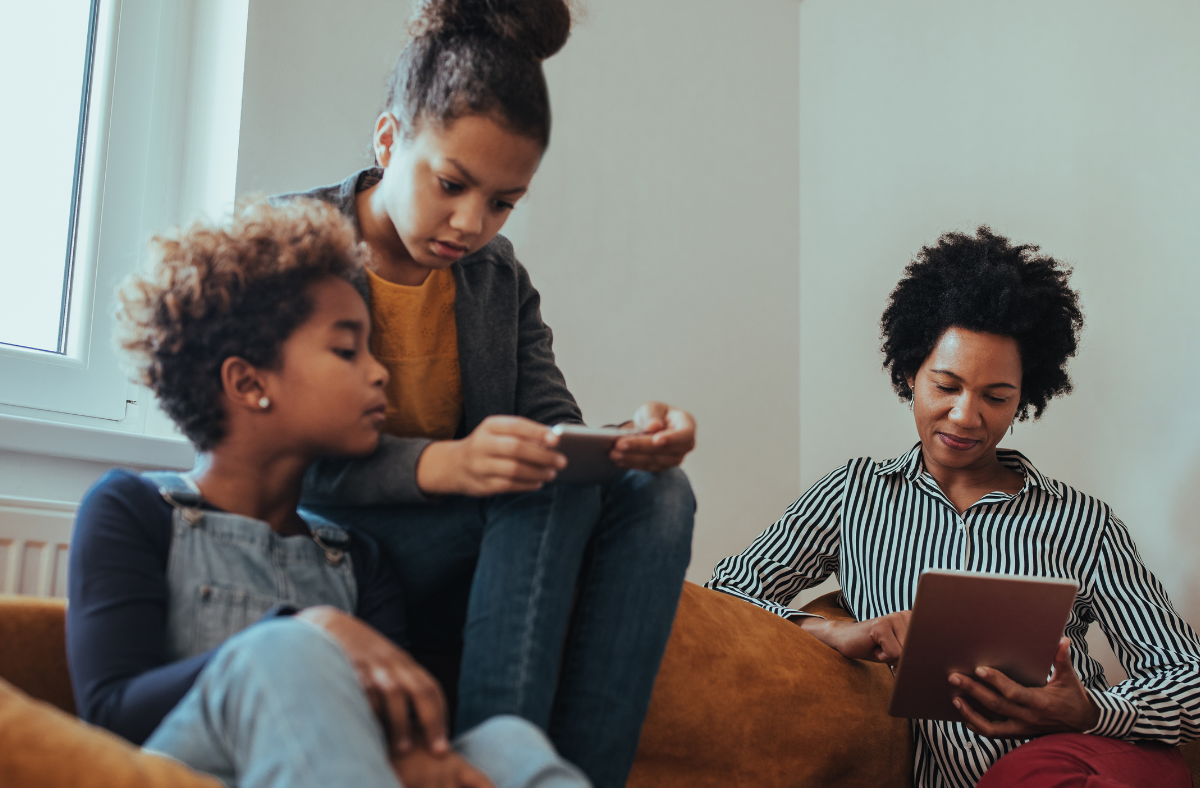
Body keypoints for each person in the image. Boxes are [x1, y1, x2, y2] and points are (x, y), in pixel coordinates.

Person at [274, 2, 697, 785]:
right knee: (537, 493)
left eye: (504, 202)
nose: (472, 223)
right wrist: (444, 466)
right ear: (389, 138)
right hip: (339, 532)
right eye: (453, 184)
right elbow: (272, 461)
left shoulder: (497, 278)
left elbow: (550, 428)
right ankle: (502, 769)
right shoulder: (292, 247)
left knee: (661, 493)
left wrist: (627, 442)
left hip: (464, 532)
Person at [67, 198, 590, 788]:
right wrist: (304, 628)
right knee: (286, 655)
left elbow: (400, 720)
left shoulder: (357, 560)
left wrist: (419, 752)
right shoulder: (130, 510)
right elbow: (109, 713)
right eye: (347, 350)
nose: (378, 372)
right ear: (248, 381)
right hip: (184, 771)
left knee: (505, 742)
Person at [706, 227, 1200, 788]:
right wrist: (829, 631)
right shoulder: (854, 495)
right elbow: (729, 593)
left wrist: (1089, 711)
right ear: (910, 374)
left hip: (1076, 765)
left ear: (1025, 398)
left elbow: (1188, 675)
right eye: (945, 385)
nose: (966, 416)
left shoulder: (1083, 522)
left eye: (996, 397)